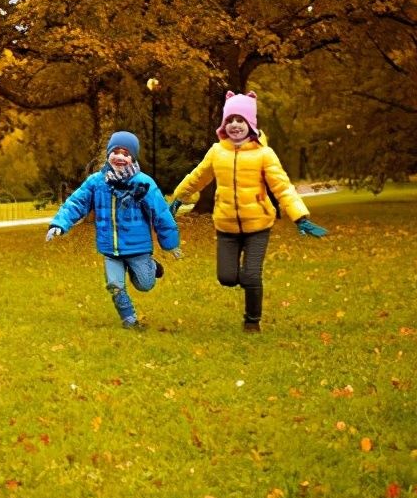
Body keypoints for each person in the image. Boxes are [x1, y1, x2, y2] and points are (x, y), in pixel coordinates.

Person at [169, 91, 327, 332]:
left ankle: (252, 321)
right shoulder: (216, 152)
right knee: (227, 278)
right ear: (224, 125)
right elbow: (198, 176)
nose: (234, 125)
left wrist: (300, 216)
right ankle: (247, 280)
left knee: (251, 276)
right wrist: (179, 197)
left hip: (258, 226)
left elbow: (282, 187)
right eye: (230, 119)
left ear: (250, 124)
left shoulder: (265, 154)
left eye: (240, 120)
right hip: (226, 226)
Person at [46, 131, 181, 330]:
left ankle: (151, 267)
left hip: (138, 248)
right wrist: (59, 224)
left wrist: (171, 244)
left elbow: (160, 213)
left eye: (126, 153)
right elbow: (76, 203)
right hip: (110, 249)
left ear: (133, 158)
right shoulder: (96, 182)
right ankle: (130, 320)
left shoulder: (143, 183)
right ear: (109, 154)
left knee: (145, 284)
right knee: (114, 285)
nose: (120, 157)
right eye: (115, 151)